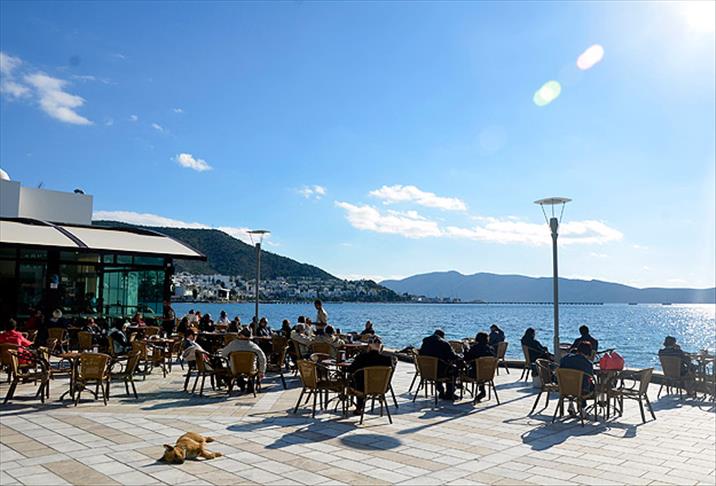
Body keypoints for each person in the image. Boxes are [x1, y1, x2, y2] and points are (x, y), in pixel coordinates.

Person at [347, 336, 393, 415]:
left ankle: (359, 408)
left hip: (362, 388)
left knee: (357, 380)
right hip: (381, 387)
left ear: (369, 345)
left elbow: (350, 369)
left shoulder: (362, 357)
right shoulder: (388, 359)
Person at [219, 328, 266, 393]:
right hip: (250, 369)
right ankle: (250, 385)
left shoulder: (233, 344)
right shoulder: (253, 346)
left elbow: (223, 354)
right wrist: (262, 371)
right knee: (256, 364)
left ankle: (240, 382)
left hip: (235, 369)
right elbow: (262, 358)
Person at [419, 329, 460, 400]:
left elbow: (420, 354)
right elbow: (452, 356)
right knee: (454, 370)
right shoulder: (444, 343)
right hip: (440, 372)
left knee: (442, 367)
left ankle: (440, 390)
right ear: (442, 336)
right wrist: (460, 356)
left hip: (426, 370)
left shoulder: (425, 341)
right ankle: (449, 392)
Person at [559, 341, 595, 418]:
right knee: (588, 385)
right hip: (581, 390)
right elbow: (590, 375)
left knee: (576, 383)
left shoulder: (565, 358)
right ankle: (582, 408)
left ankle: (571, 403)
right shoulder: (587, 363)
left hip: (564, 388)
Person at [463, 332, 495, 402]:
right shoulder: (491, 349)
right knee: (480, 370)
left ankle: (456, 388)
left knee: (460, 371)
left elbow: (466, 358)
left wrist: (466, 348)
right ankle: (482, 390)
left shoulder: (475, 348)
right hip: (488, 374)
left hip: (475, 374)